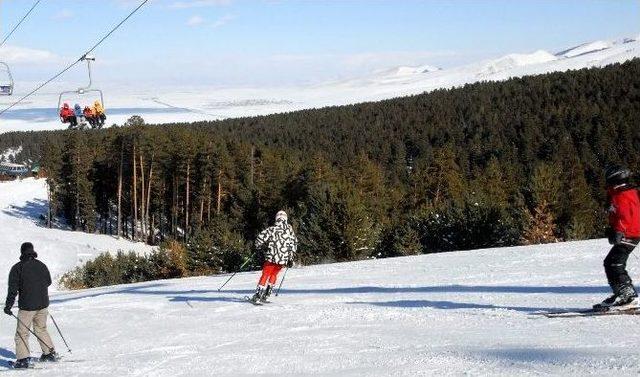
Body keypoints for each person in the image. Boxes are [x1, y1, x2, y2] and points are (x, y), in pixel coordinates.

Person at [4, 242, 58, 369]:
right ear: (32, 251)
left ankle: (23, 359)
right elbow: (48, 282)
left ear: (22, 252)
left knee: (22, 333)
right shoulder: (42, 265)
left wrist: (8, 306)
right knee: (41, 329)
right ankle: (49, 353)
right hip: (43, 304)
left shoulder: (17, 268)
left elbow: (13, 289)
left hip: (27, 307)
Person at [595, 165, 640, 310]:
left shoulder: (623, 195)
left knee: (615, 264)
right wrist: (612, 229)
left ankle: (628, 296)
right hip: (630, 232)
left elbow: (626, 216)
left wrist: (619, 231)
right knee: (612, 262)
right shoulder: (620, 193)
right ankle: (623, 294)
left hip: (630, 234)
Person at [249, 211, 298, 304]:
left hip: (272, 257)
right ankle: (266, 295)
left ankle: (258, 295)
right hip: (282, 259)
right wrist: (290, 258)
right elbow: (293, 244)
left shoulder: (273, 229)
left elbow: (261, 237)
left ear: (277, 218)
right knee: (274, 275)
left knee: (265, 274)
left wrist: (257, 246)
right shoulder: (290, 231)